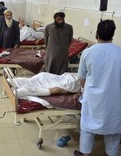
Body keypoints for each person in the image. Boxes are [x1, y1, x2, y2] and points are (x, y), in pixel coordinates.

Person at [74, 20, 121, 156]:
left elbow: (82, 81)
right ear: (113, 34)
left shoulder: (88, 53)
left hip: (93, 100)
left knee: (87, 129)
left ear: (96, 33)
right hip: (114, 101)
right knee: (113, 132)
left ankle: (85, 153)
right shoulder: (119, 53)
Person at [8, 72, 80, 98]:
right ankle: (23, 89)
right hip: (68, 81)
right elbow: (57, 90)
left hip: (66, 79)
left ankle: (16, 83)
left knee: (32, 82)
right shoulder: (74, 83)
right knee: (36, 83)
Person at [44, 9, 73, 75]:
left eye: (62, 19)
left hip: (63, 55)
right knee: (49, 73)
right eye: (58, 19)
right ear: (54, 18)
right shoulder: (48, 27)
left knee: (62, 74)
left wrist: (64, 48)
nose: (60, 21)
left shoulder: (69, 27)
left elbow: (70, 40)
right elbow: (46, 41)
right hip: (51, 54)